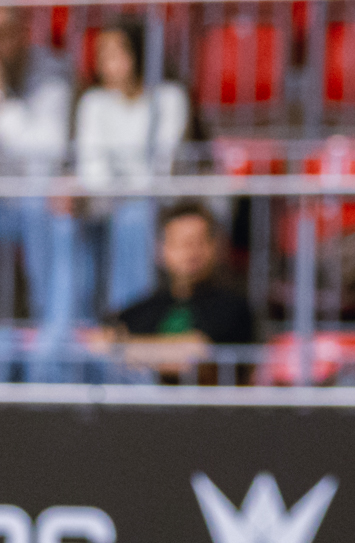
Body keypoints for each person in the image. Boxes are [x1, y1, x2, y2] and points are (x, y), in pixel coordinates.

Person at [75, 17, 189, 318]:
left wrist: (122, 190)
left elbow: (161, 168)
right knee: (61, 220)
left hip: (156, 205)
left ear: (139, 53)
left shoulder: (169, 98)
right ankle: (75, 324)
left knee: (133, 218)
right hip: (104, 205)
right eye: (101, 55)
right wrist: (115, 191)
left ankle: (129, 320)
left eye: (115, 53)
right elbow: (92, 170)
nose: (106, 63)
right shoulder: (93, 102)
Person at [93, 200, 253, 381]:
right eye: (181, 242)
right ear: (161, 249)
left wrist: (121, 348)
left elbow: (195, 357)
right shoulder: (147, 307)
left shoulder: (233, 307)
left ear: (215, 246)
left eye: (200, 241)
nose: (192, 251)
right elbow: (97, 341)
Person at [0, 7, 72, 344]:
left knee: (45, 210)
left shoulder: (52, 71)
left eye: (4, 33)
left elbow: (49, 149)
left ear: (24, 31)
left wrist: (3, 102)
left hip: (37, 199)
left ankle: (51, 336)